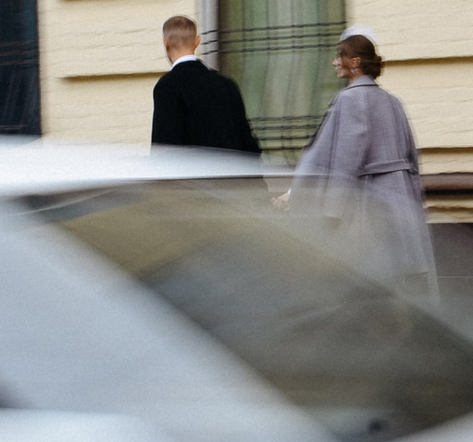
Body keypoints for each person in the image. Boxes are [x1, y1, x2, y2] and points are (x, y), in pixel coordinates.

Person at [283, 32, 435, 293]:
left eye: (338, 56)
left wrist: (329, 210)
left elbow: (344, 160)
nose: (334, 62)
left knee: (368, 284)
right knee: (405, 285)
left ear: (355, 62)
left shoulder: (349, 99)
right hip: (402, 205)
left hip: (370, 206)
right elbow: (412, 157)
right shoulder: (393, 102)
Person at [150, 15, 259, 155]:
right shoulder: (227, 85)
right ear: (197, 41)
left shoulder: (167, 87)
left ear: (165, 42)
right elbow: (248, 144)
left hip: (193, 175)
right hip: (232, 175)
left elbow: (164, 148)